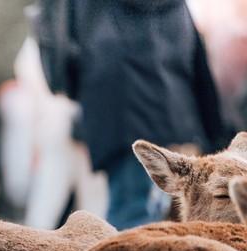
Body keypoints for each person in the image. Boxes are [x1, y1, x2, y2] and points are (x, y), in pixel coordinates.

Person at [34, 0, 225, 229]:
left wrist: (75, 89)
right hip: (171, 115)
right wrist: (213, 129)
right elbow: (196, 59)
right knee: (146, 215)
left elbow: (60, 52)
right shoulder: (174, 7)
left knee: (132, 217)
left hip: (117, 112)